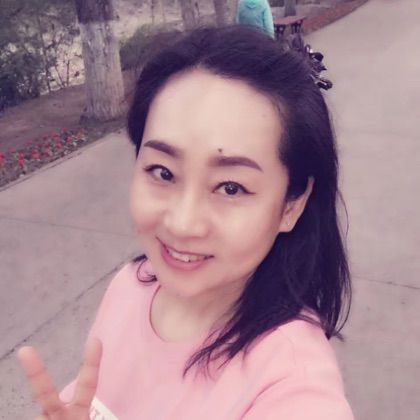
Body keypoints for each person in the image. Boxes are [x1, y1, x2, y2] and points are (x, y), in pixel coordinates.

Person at [17, 26, 353, 419]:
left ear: (292, 205)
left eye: (230, 187)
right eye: (162, 172)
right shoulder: (133, 284)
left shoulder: (290, 385)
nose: (182, 224)